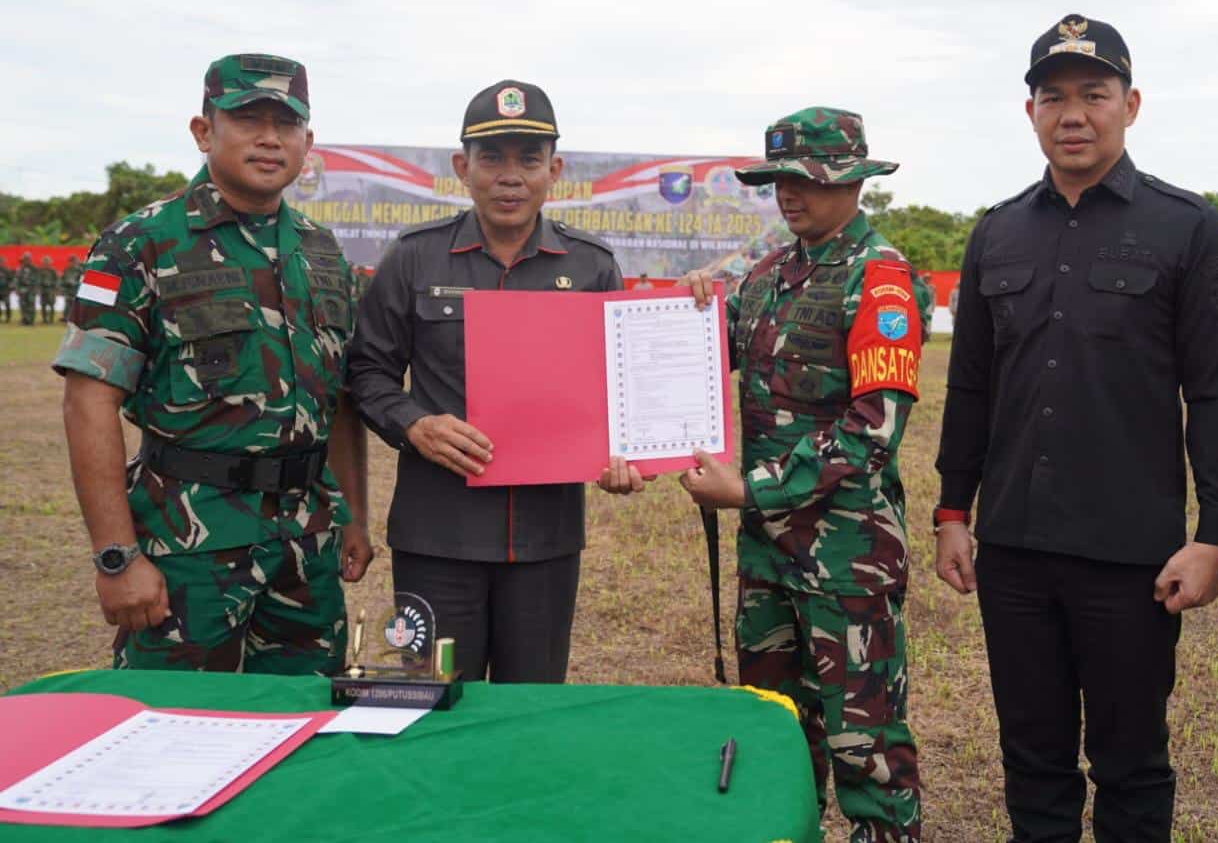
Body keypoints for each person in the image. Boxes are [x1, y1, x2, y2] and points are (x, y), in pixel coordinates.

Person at [934, 14, 1218, 842]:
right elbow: (970, 385)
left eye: (1093, 94)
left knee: (1132, 760)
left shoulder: (1188, 228)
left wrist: (1215, 533)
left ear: (1131, 104)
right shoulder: (997, 230)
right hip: (1014, 551)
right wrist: (952, 510)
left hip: (1130, 555)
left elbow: (1217, 395)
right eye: (1054, 96)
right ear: (1030, 111)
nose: (1073, 113)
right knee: (1032, 757)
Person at [610, 106, 931, 841]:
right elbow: (685, 365)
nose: (790, 194)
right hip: (768, 557)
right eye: (778, 179)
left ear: (853, 181)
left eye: (807, 180)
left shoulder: (879, 279)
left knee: (864, 745)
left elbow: (872, 430)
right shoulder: (763, 276)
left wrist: (750, 489)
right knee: (776, 729)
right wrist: (684, 310)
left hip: (846, 559)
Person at [53, 53, 372, 673]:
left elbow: (338, 400)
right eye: (247, 118)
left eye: (286, 123)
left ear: (308, 141)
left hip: (306, 548)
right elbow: (89, 402)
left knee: (301, 731)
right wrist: (116, 556)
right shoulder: (140, 242)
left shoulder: (322, 252)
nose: (269, 138)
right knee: (173, 735)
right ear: (204, 132)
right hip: (188, 549)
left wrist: (353, 515)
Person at [348, 80, 622, 684]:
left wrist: (627, 454)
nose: (510, 176)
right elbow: (367, 372)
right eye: (491, 157)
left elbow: (621, 387)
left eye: (528, 159)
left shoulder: (591, 267)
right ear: (461, 168)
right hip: (436, 536)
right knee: (435, 704)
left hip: (545, 542)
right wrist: (414, 424)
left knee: (530, 711)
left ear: (554, 169)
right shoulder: (414, 258)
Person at [16, 251, 38, 326]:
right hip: (22, 289)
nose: (25, 261)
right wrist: (17, 289)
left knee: (31, 305)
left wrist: (35, 288)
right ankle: (25, 320)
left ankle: (31, 320)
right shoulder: (20, 269)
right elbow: (17, 280)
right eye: (25, 259)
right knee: (23, 305)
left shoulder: (34, 268)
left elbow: (37, 280)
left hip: (31, 290)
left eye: (27, 259)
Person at [60, 254, 84, 321]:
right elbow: (62, 280)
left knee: (76, 306)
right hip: (68, 291)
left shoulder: (80, 270)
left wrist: (75, 283)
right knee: (67, 305)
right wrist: (63, 288)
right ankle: (66, 318)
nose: (72, 263)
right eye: (70, 262)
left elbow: (82, 280)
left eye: (73, 261)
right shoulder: (67, 270)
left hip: (76, 290)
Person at [39, 253, 56, 323]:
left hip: (51, 290)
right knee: (43, 305)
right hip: (43, 290)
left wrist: (55, 289)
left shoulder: (53, 271)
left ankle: (51, 320)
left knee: (51, 305)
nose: (46, 263)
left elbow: (57, 280)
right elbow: (37, 280)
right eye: (45, 262)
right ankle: (44, 319)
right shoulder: (40, 271)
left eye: (47, 262)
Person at [0, 259, 13, 323]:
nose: (1, 263)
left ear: (4, 263)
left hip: (5, 291)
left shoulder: (7, 271)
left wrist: (10, 289)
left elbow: (11, 280)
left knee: (7, 305)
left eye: (2, 262)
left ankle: (8, 318)